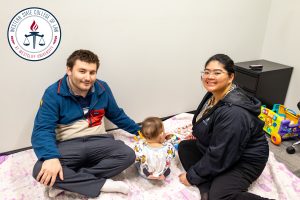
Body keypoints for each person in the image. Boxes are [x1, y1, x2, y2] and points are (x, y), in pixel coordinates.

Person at [31, 49, 140, 198]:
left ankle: (68, 182)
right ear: (69, 70)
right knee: (39, 169)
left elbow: (117, 115)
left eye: (92, 72)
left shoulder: (102, 88)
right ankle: (103, 185)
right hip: (68, 145)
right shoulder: (52, 93)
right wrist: (51, 158)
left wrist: (140, 132)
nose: (87, 78)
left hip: (98, 141)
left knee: (128, 155)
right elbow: (42, 129)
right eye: (82, 71)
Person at [178, 54, 271, 200]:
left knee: (220, 196)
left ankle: (211, 189)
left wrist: (191, 177)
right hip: (227, 149)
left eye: (217, 72)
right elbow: (207, 122)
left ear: (230, 77)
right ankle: (206, 188)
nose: (209, 76)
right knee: (185, 147)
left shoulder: (235, 112)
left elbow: (221, 154)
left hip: (244, 159)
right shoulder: (214, 94)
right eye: (206, 72)